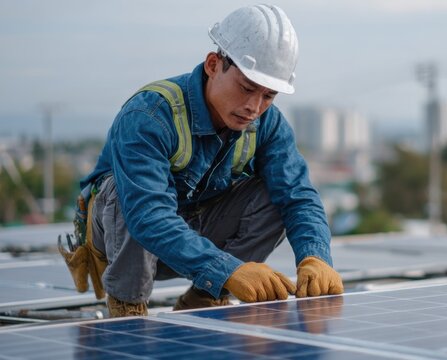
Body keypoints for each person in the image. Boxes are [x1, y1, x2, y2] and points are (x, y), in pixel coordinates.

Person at [75, 4, 343, 317]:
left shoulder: (267, 123)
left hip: (195, 236)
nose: (254, 107)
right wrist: (227, 270)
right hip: (126, 239)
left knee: (277, 193)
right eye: (246, 88)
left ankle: (205, 296)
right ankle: (127, 303)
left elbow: (299, 196)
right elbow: (147, 214)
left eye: (269, 96)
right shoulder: (149, 115)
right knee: (124, 193)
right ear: (214, 65)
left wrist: (316, 257)